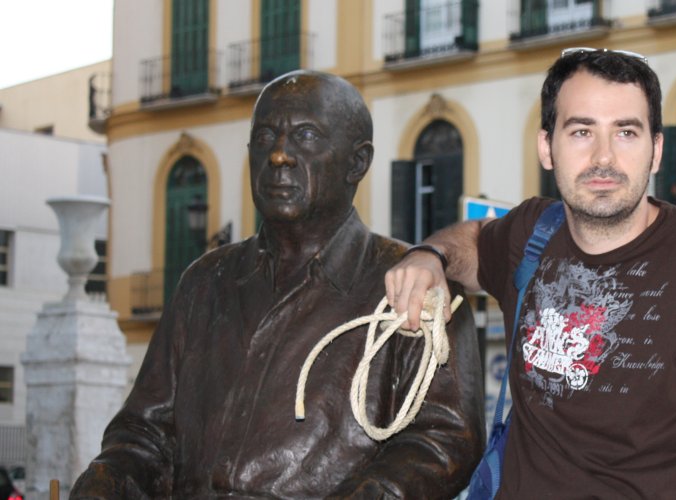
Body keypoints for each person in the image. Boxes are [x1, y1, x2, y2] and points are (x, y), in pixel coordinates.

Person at [386, 48, 676, 498]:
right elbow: (473, 241)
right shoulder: (530, 231)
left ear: (656, 151)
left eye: (626, 132)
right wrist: (430, 255)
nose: (604, 157)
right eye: (582, 131)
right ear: (547, 147)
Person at [70, 70, 485, 499]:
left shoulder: (413, 286)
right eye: (265, 137)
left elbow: (444, 439)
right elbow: (144, 431)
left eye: (306, 136)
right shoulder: (204, 282)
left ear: (357, 162)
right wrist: (109, 477)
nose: (279, 155)